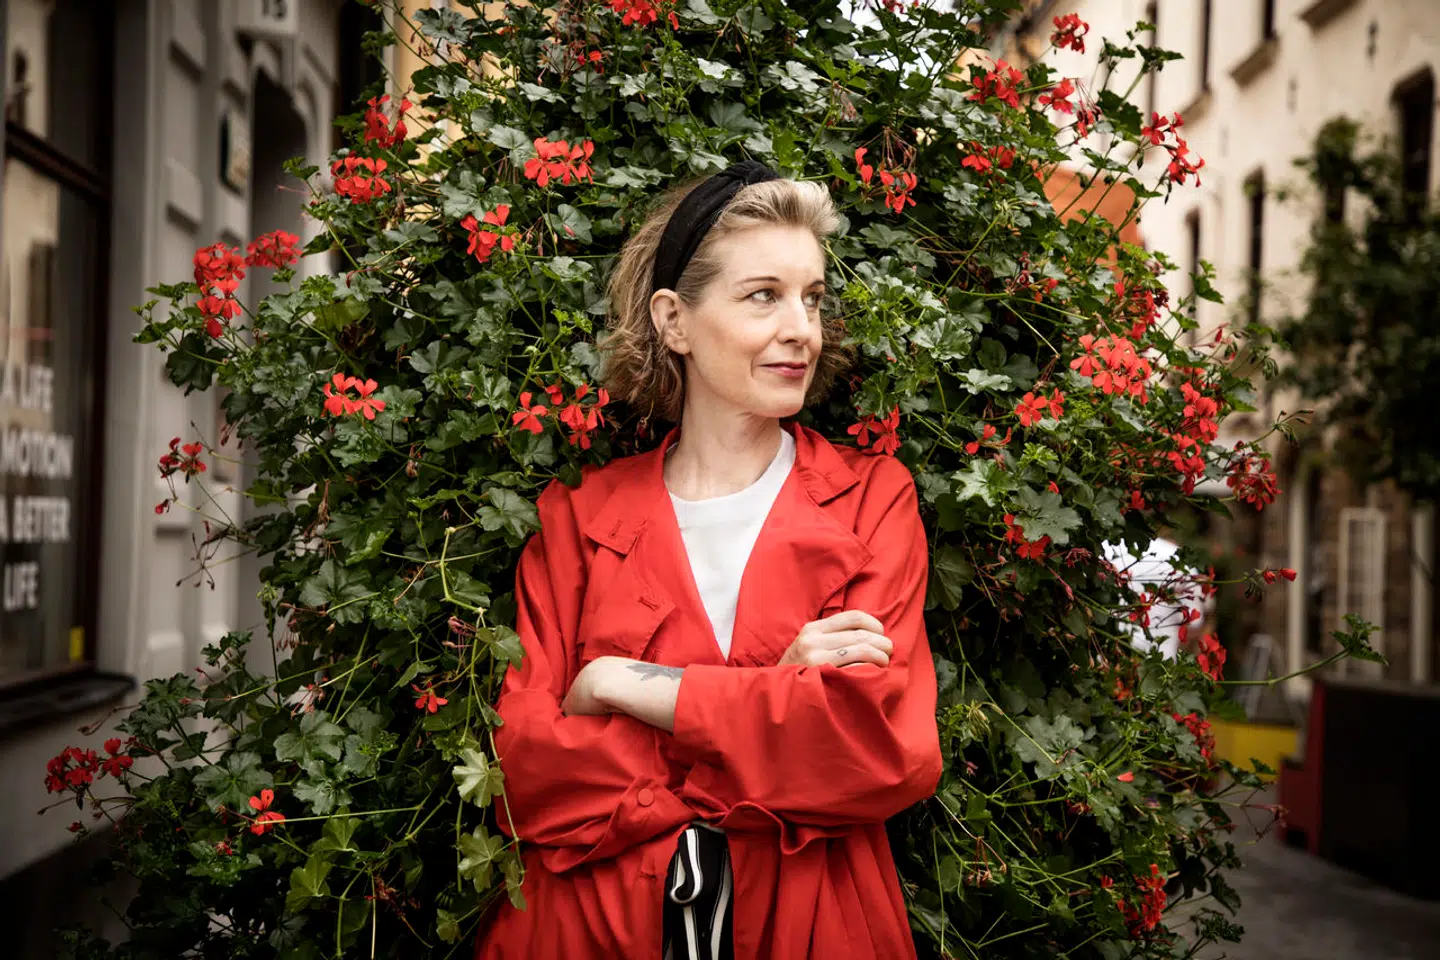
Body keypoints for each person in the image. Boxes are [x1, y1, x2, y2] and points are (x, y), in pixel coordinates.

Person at [473, 160, 943, 960]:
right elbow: (526, 774)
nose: (802, 328)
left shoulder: (871, 501)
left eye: (812, 297)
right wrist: (772, 704)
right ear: (674, 321)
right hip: (588, 933)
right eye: (763, 295)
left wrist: (616, 685)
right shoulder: (578, 516)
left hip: (807, 931)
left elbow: (881, 754)